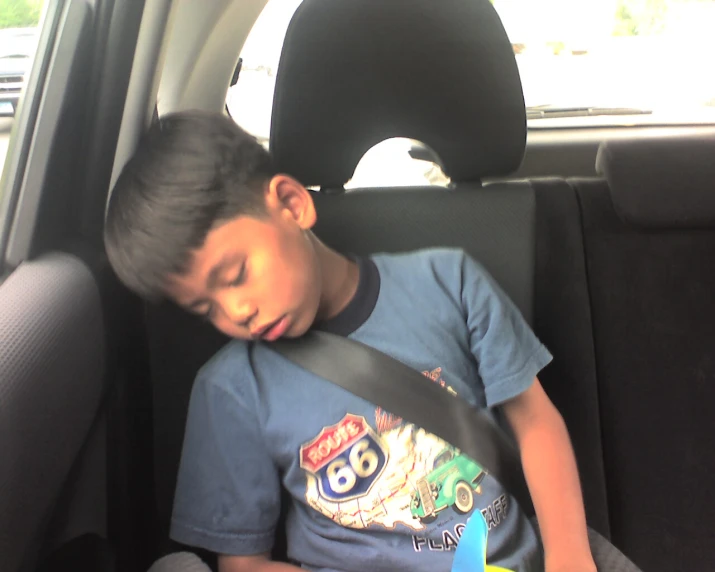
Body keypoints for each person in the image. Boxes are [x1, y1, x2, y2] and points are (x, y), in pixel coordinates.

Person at [105, 110, 639, 572]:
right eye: (205, 308)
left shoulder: (448, 283)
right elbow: (242, 562)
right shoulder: (231, 389)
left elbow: (533, 420)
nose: (236, 312)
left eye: (236, 273)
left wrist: (568, 553)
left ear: (291, 205)